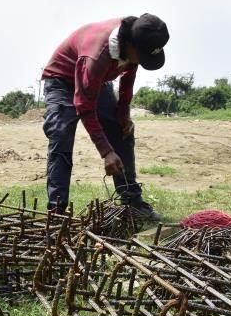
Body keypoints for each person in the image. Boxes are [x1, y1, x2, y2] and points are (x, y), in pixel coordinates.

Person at [41, 13, 169, 219]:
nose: (140, 62)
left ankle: (133, 203)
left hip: (97, 80)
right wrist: (106, 152)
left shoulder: (138, 36)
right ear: (129, 45)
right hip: (62, 80)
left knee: (122, 131)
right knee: (61, 134)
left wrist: (123, 114)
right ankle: (57, 212)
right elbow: (84, 106)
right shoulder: (96, 55)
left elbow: (128, 76)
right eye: (142, 56)